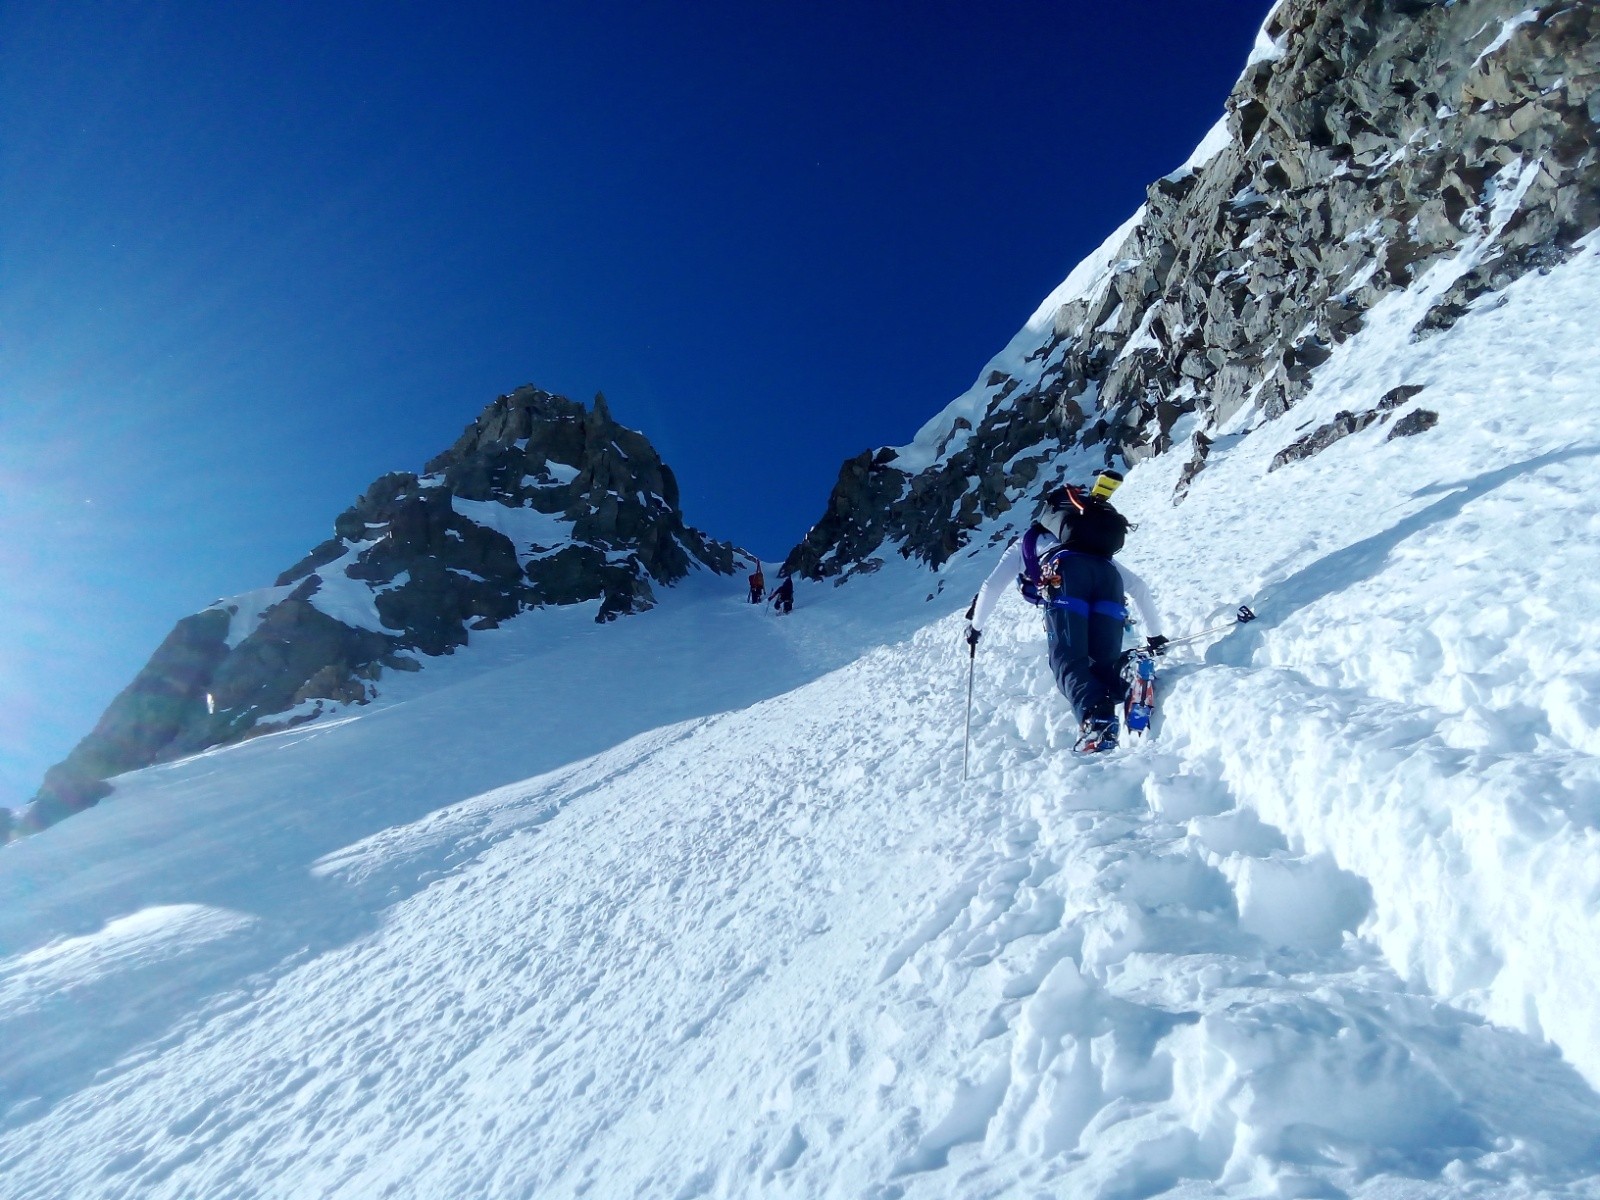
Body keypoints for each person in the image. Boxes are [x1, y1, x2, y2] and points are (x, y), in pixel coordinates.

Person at [965, 469, 1167, 753]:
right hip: (1109, 581)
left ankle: (1097, 724)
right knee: (1102, 667)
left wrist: (975, 627)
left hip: (1065, 578)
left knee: (1067, 662)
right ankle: (1129, 671)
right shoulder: (1096, 551)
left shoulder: (1028, 542)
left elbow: (991, 586)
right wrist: (1155, 636)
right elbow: (1139, 586)